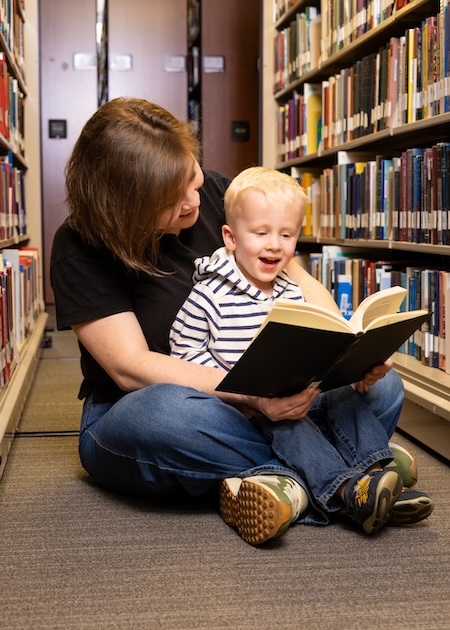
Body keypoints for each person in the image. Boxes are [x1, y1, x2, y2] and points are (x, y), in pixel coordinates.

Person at [51, 97, 433, 547]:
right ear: (129, 207)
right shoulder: (80, 246)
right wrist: (250, 395)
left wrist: (345, 347)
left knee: (384, 386)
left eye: (193, 178)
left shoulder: (218, 195)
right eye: (175, 199)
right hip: (176, 404)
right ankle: (354, 467)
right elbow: (130, 367)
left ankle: (285, 485)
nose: (196, 200)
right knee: (157, 417)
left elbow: (297, 278)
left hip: (276, 391)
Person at [169, 164, 434, 539]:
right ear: (230, 237)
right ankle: (347, 492)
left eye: (287, 234)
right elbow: (183, 352)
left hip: (304, 391)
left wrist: (353, 359)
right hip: (248, 409)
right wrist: (236, 388)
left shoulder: (289, 290)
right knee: (290, 427)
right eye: (261, 233)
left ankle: (377, 478)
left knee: (344, 395)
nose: (275, 244)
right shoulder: (209, 295)